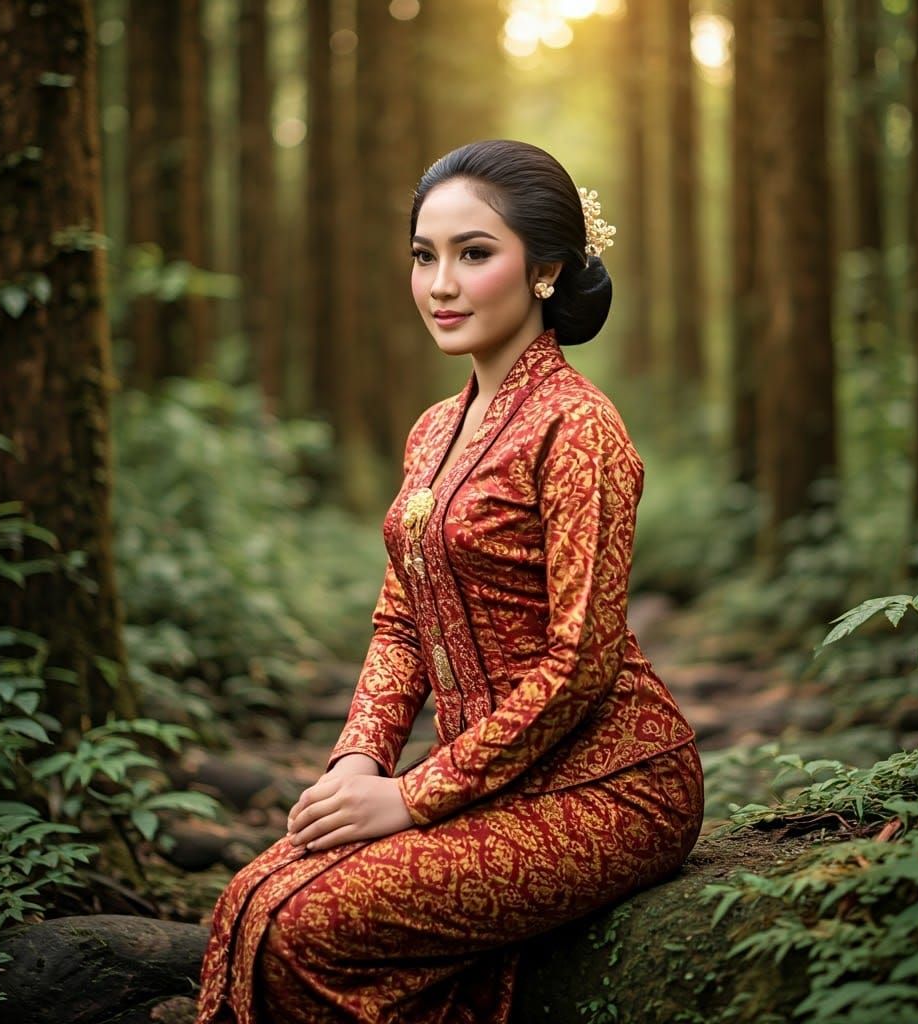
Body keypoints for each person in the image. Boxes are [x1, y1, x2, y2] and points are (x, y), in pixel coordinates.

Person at [195, 139, 703, 1024]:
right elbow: (400, 621)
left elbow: (581, 661)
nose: (441, 284)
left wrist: (410, 795)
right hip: (491, 774)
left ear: (545, 268)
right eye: (425, 256)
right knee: (251, 897)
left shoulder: (581, 430)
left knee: (304, 925)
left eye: (475, 254)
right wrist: (359, 760)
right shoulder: (433, 431)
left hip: (612, 782)